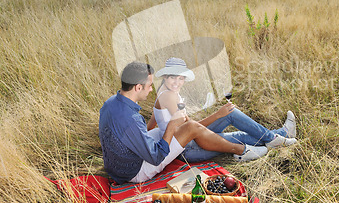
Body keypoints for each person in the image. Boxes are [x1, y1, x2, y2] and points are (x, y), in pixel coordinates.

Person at [99, 61, 268, 184]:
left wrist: (156, 127)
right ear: (137, 87)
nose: (151, 90)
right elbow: (156, 157)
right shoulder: (131, 120)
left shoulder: (111, 103)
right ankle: (242, 150)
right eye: (149, 86)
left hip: (118, 165)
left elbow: (139, 130)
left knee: (194, 129)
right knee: (195, 128)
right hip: (134, 171)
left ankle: (273, 136)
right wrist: (172, 125)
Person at [148, 57, 297, 162]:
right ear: (166, 76)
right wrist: (217, 115)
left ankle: (276, 137)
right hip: (189, 149)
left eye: (181, 78)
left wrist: (145, 137)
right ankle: (277, 136)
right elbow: (190, 128)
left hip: (192, 139)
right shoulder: (168, 96)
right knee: (240, 135)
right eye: (173, 77)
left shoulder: (163, 91)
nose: (177, 82)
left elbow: (154, 118)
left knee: (230, 113)